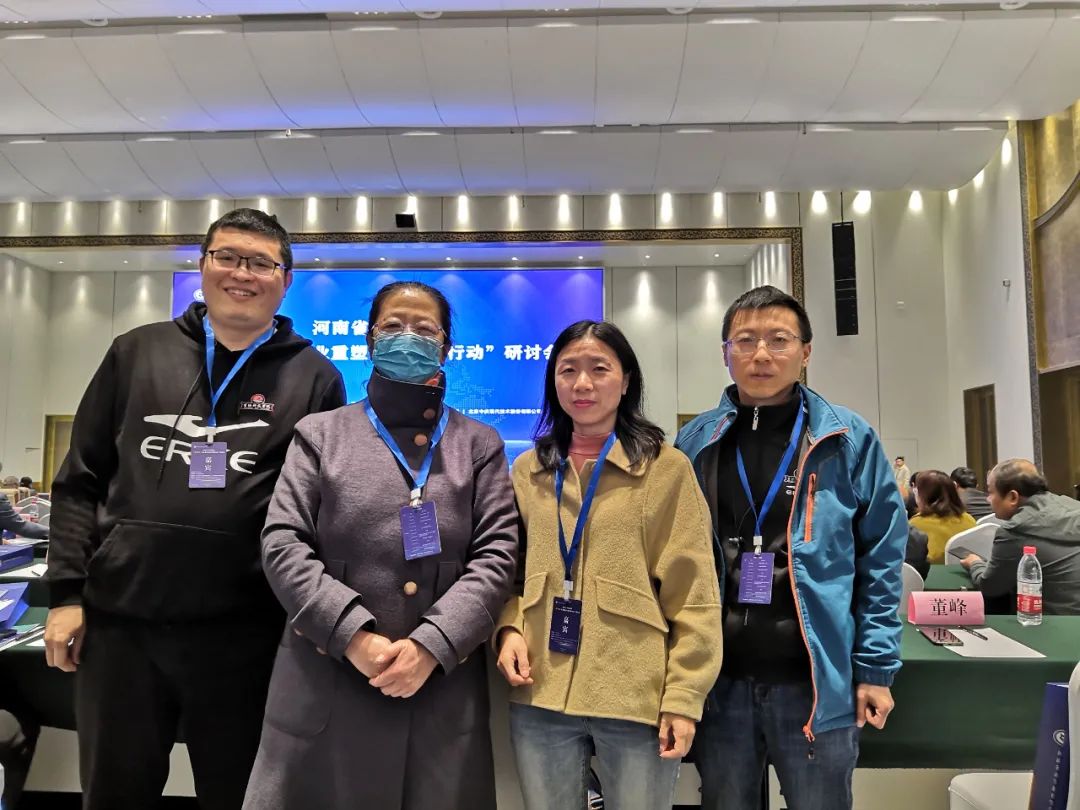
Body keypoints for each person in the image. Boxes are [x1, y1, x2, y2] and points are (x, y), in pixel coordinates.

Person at [43, 208, 346, 810]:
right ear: (202, 265)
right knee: (114, 796)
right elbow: (80, 481)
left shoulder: (314, 377)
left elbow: (321, 512)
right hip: (123, 627)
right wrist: (66, 595)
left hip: (246, 636)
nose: (242, 273)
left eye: (261, 263)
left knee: (240, 797)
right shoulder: (135, 352)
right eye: (226, 256)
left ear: (285, 280)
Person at [244, 281, 518, 810]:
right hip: (327, 675)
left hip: (439, 685)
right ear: (370, 340)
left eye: (424, 329)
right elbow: (282, 541)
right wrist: (352, 636)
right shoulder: (319, 434)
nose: (407, 337)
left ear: (446, 347)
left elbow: (497, 556)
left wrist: (431, 644)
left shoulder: (479, 444)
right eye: (393, 326)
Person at [675, 285, 907, 810]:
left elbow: (882, 559)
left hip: (814, 683)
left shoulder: (846, 439)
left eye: (778, 340)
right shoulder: (696, 443)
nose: (761, 354)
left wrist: (875, 668)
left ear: (805, 352)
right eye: (745, 340)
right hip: (720, 682)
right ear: (725, 354)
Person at [495, 320, 722, 810]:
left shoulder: (664, 468)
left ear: (626, 381)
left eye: (599, 369)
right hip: (540, 689)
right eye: (568, 370)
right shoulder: (529, 469)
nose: (582, 383)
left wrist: (684, 697)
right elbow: (509, 572)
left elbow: (694, 593)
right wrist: (509, 629)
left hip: (635, 694)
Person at [960, 459, 1080, 614]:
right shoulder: (1073, 506)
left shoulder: (1014, 531)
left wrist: (975, 563)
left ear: (1012, 497)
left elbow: (991, 586)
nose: (988, 499)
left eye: (990, 492)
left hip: (1050, 621)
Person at [909, 470, 976, 564]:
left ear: (922, 495)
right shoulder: (969, 519)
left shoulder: (915, 524)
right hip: (966, 570)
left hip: (931, 572)